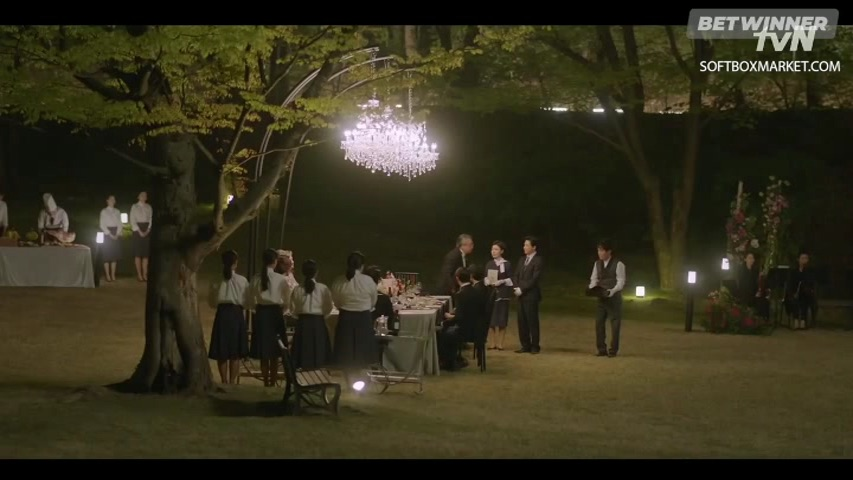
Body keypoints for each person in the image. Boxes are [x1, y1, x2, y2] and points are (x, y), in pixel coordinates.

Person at [330, 251, 378, 387]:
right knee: (363, 352)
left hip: (346, 318)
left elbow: (336, 301)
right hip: (363, 318)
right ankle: (361, 382)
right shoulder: (368, 281)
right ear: (362, 266)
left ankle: (351, 382)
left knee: (347, 353)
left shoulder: (339, 281)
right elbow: (373, 301)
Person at [207, 250, 250, 384]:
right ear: (235, 263)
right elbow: (246, 300)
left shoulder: (216, 279)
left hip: (222, 313)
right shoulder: (242, 280)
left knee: (222, 349)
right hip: (236, 314)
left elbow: (212, 301)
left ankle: (224, 380)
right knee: (235, 351)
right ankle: (231, 381)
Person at [248, 248, 289, 387]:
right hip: (275, 314)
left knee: (264, 351)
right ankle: (272, 381)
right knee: (275, 351)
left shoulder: (256, 278)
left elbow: (250, 298)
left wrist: (256, 309)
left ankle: (266, 381)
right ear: (275, 261)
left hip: (262, 313)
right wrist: (283, 310)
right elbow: (287, 300)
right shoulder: (280, 279)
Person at [289, 259, 334, 369]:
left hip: (303, 323)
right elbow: (328, 306)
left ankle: (304, 375)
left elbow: (293, 308)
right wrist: (323, 316)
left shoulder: (298, 289)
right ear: (316, 272)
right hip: (318, 322)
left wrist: (299, 316)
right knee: (318, 353)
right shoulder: (323, 288)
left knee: (303, 353)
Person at [588, 239, 626, 357]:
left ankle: (613, 349)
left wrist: (612, 291)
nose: (599, 253)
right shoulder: (597, 264)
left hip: (614, 298)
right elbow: (594, 278)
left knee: (615, 324)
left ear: (609, 251)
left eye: (602, 250)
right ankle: (601, 349)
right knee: (599, 323)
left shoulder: (618, 264)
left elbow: (621, 281)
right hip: (601, 297)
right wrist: (592, 288)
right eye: (598, 250)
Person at [438, 267, 478, 371]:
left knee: (441, 331)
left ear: (457, 278)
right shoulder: (474, 290)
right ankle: (451, 358)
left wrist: (447, 320)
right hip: (473, 326)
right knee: (444, 328)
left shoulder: (461, 294)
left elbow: (459, 318)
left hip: (464, 329)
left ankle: (447, 361)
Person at [512, 236, 544, 354]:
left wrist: (523, 289)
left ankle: (535, 345)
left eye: (527, 245)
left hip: (531, 295)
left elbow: (534, 278)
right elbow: (516, 275)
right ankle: (525, 345)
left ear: (534, 247)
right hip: (520, 295)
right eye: (524, 245)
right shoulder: (522, 260)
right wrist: (516, 287)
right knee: (522, 321)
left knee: (532, 321)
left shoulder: (538, 260)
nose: (524, 247)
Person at [483, 240, 513, 350]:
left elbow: (511, 279)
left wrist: (502, 281)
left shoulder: (506, 264)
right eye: (492, 249)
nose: (493, 251)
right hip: (491, 294)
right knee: (491, 319)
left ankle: (500, 343)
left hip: (503, 294)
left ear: (502, 251)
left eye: (496, 249)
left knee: (501, 319)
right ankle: (492, 343)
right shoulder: (489, 264)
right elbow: (485, 276)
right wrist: (486, 280)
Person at [785, 250, 817, 330]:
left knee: (806, 299)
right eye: (802, 258)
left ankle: (803, 320)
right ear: (798, 259)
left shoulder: (810, 272)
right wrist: (792, 293)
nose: (804, 260)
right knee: (793, 300)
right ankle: (796, 319)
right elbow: (790, 284)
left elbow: (811, 284)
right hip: (794, 293)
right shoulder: (793, 271)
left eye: (806, 258)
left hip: (805, 294)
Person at [736, 252, 769, 318]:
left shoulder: (755, 271)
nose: (751, 260)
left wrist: (757, 291)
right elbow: (743, 284)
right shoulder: (741, 270)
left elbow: (756, 284)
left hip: (753, 293)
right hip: (745, 294)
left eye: (752, 258)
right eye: (749, 258)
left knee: (764, 302)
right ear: (745, 259)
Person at [99, 195, 123, 282]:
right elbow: (102, 224)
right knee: (107, 255)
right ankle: (107, 275)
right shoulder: (104, 211)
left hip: (116, 232)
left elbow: (120, 223)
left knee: (114, 256)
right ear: (107, 201)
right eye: (111, 199)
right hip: (107, 234)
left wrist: (117, 233)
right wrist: (109, 234)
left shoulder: (117, 211)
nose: (112, 201)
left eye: (114, 200)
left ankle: (113, 275)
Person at [129, 191, 152, 282]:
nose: (143, 197)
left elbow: (151, 218)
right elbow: (132, 219)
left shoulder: (149, 207)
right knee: (138, 254)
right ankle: (139, 274)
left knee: (146, 254)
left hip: (147, 229)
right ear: (138, 197)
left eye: (145, 195)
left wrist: (148, 230)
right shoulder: (134, 206)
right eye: (142, 195)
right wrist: (139, 231)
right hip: (137, 230)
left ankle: (145, 274)